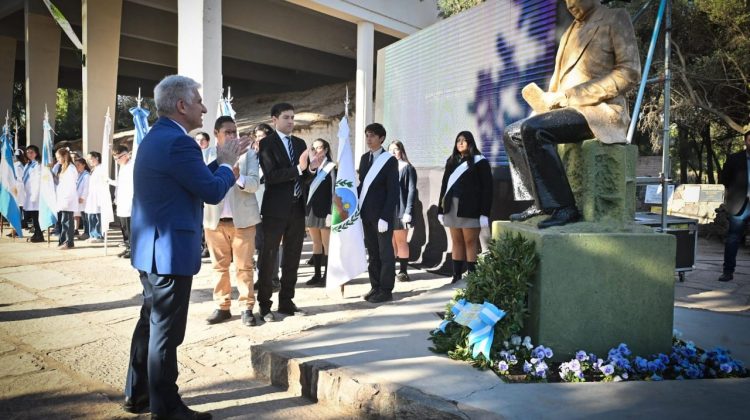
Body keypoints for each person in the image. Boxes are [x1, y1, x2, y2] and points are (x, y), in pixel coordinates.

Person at [125, 74, 248, 419]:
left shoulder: (158, 136)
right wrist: (225, 164)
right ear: (182, 106)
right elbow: (210, 190)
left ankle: (138, 394)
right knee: (165, 333)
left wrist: (218, 166)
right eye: (198, 101)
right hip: (168, 251)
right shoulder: (179, 143)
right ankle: (166, 409)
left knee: (150, 323)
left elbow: (192, 178)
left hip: (151, 249)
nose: (204, 108)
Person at [504, 0, 641, 229]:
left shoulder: (615, 18)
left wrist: (570, 96)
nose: (569, 4)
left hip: (599, 111)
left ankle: (565, 207)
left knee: (536, 130)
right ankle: (540, 201)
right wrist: (544, 104)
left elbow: (629, 72)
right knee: (513, 134)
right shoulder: (569, 32)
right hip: (564, 108)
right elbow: (556, 83)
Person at [257, 103, 323, 322]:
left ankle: (286, 301)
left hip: (297, 208)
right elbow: (272, 176)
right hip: (275, 209)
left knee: (293, 256)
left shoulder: (299, 143)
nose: (291, 122)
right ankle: (265, 305)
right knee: (269, 256)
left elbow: (303, 179)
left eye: (293, 118)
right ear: (274, 119)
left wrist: (311, 169)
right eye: (286, 117)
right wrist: (299, 168)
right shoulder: (266, 143)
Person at [203, 116, 261, 327]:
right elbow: (202, 183)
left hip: (243, 221)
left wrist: (238, 178)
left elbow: (254, 184)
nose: (232, 136)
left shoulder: (249, 156)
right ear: (216, 133)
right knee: (219, 267)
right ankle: (222, 307)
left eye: (234, 132)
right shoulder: (207, 155)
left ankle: (246, 308)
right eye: (227, 132)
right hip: (214, 221)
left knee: (244, 267)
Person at [437, 131, 493, 283]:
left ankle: (472, 276)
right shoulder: (451, 161)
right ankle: (456, 276)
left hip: (471, 208)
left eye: (464, 140)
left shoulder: (480, 162)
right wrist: (440, 209)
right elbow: (444, 186)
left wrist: (484, 213)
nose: (460, 143)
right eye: (458, 140)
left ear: (470, 142)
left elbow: (487, 189)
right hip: (452, 207)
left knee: (470, 241)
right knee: (456, 241)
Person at [358, 123, 399, 303]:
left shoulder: (389, 160)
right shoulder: (364, 158)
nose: (369, 139)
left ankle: (386, 289)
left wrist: (385, 216)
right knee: (372, 253)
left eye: (372, 136)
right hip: (366, 214)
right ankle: (375, 286)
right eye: (367, 135)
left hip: (382, 216)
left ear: (381, 138)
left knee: (385, 253)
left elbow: (393, 191)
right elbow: (362, 186)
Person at [252, 123, 281, 292]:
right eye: (256, 137)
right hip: (255, 207)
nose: (258, 140)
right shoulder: (252, 157)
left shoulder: (276, 157)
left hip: (271, 208)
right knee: (260, 246)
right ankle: (262, 277)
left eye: (262, 136)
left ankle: (273, 278)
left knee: (272, 246)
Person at [718, 131, 750, 282]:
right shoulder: (735, 159)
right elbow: (724, 178)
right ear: (745, 142)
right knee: (733, 239)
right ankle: (728, 271)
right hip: (739, 204)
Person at [304, 139, 336, 288]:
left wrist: (331, 212)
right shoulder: (311, 167)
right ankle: (316, 274)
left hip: (325, 211)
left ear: (326, 149)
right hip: (312, 210)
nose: (317, 151)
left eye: (320, 148)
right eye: (314, 148)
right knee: (315, 243)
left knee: (326, 243)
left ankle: (327, 275)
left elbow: (334, 191)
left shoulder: (332, 167)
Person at [388, 140, 417, 282]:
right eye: (390, 150)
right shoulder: (386, 168)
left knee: (401, 241)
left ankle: (404, 271)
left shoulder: (408, 168)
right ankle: (390, 270)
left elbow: (412, 191)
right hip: (388, 211)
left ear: (401, 151)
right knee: (390, 242)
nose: (393, 152)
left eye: (396, 149)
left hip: (401, 210)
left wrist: (408, 211)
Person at [112, 145, 134, 258]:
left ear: (125, 155)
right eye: (115, 159)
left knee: (129, 227)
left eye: (118, 158)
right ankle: (127, 246)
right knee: (123, 227)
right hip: (122, 201)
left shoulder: (132, 166)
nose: (116, 161)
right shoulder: (123, 167)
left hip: (129, 202)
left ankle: (132, 249)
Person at [55, 148, 78, 249]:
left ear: (65, 156)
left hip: (68, 199)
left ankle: (69, 242)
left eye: (59, 157)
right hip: (63, 199)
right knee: (63, 221)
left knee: (68, 222)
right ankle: (63, 240)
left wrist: (66, 199)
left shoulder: (71, 168)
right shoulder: (64, 168)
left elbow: (71, 186)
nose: (58, 160)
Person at [23, 145, 44, 242]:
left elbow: (38, 181)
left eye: (31, 152)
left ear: (36, 153)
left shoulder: (38, 165)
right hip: (28, 193)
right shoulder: (28, 165)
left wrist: (35, 194)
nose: (29, 154)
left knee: (36, 215)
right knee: (32, 214)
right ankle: (36, 233)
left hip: (35, 193)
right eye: (28, 152)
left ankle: (39, 234)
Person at [85, 152, 105, 242]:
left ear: (97, 158)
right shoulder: (93, 169)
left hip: (98, 196)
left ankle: (98, 235)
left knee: (97, 216)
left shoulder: (101, 168)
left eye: (91, 159)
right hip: (92, 196)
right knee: (91, 216)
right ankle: (92, 235)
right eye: (88, 159)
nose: (89, 161)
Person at [74, 157, 91, 240]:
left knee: (86, 218)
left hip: (84, 200)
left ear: (84, 165)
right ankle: (86, 232)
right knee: (83, 217)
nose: (77, 167)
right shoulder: (79, 174)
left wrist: (82, 197)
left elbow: (86, 188)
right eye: (75, 165)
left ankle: (87, 233)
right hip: (79, 200)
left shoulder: (86, 175)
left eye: (78, 165)